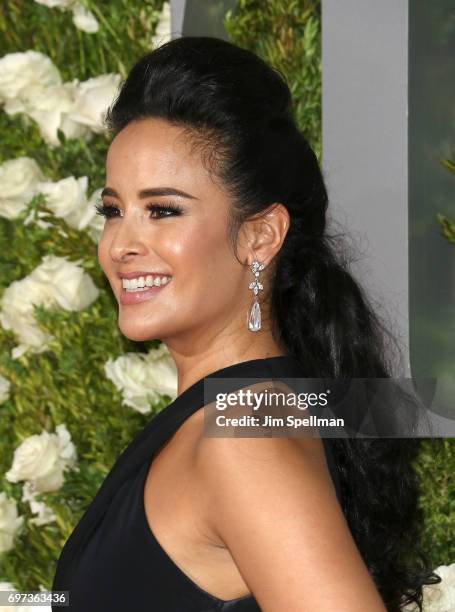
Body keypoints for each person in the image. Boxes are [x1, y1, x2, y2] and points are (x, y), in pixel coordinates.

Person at [51, 36, 439, 611]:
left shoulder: (247, 432)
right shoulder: (237, 412)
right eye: (114, 211)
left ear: (260, 235)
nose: (121, 244)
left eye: (163, 211)